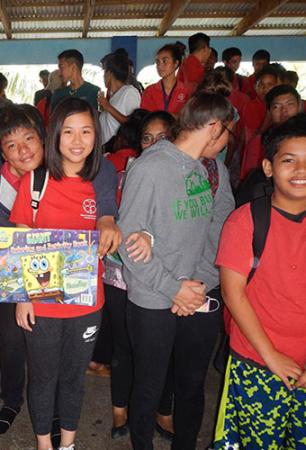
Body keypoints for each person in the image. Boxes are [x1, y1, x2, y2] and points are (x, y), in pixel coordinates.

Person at [0, 103, 121, 440]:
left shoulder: (103, 178)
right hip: (41, 304)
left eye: (86, 131)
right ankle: (44, 444)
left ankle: (69, 443)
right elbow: (19, 241)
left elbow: (112, 221)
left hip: (87, 304)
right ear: (55, 136)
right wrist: (22, 298)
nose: (77, 140)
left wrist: (112, 230)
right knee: (44, 378)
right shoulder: (35, 182)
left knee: (74, 379)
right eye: (69, 132)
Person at [118, 92, 234, 450]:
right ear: (215, 126)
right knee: (149, 387)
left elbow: (213, 231)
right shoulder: (150, 167)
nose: (229, 140)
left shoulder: (205, 168)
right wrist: (173, 288)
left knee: (191, 384)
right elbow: (127, 241)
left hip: (197, 295)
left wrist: (195, 286)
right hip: (153, 300)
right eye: (228, 131)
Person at [213, 114, 306, 449]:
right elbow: (232, 293)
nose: (300, 171)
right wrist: (272, 356)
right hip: (257, 362)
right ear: (268, 167)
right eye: (289, 160)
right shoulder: (245, 221)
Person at [102, 110, 175, 440]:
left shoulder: (185, 176)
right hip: (120, 272)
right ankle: (120, 410)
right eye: (147, 139)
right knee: (123, 346)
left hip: (163, 276)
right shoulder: (124, 173)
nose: (155, 145)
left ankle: (164, 409)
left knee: (164, 348)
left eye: (163, 138)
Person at [240, 65, 280, 180]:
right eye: (261, 85)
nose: (264, 89)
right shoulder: (251, 106)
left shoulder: (279, 105)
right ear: (255, 87)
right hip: (255, 153)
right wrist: (269, 113)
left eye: (269, 85)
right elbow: (256, 134)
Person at [98, 49, 141, 146]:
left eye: (104, 72)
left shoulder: (129, 92)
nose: (103, 77)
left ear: (110, 74)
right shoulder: (113, 96)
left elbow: (132, 123)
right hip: (106, 148)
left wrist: (108, 107)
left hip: (117, 149)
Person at [140, 43, 190, 116]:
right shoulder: (149, 91)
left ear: (176, 63)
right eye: (157, 62)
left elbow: (189, 118)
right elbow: (145, 118)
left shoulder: (186, 91)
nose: (160, 66)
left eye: (164, 61)